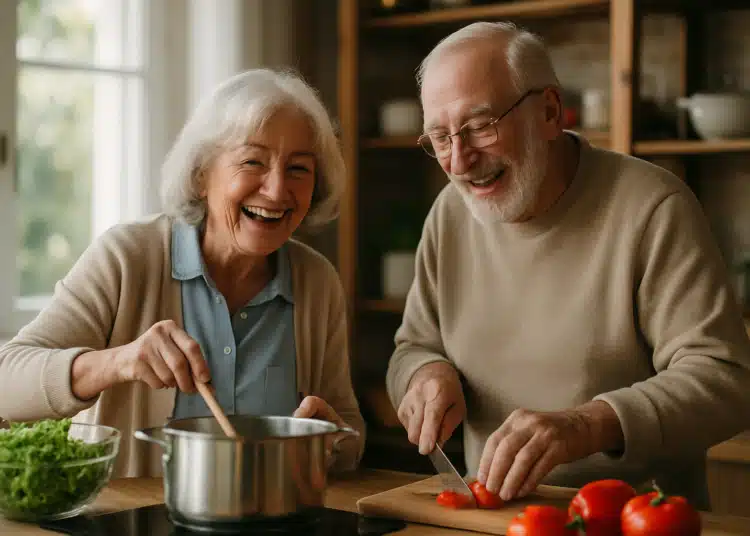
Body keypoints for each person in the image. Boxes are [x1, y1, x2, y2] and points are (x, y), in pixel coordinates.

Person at [386, 21, 750, 510]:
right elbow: (412, 345)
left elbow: (725, 380)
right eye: (440, 138)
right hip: (494, 520)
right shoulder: (450, 214)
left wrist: (586, 426)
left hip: (633, 521)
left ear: (550, 112)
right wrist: (424, 374)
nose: (459, 160)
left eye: (478, 127)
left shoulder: (652, 208)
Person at [0, 68, 365, 478]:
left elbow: (347, 430)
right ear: (201, 174)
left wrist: (334, 438)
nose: (278, 190)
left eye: (298, 169)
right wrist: (118, 362)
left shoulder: (317, 281)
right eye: (252, 161)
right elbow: (6, 379)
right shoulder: (127, 257)